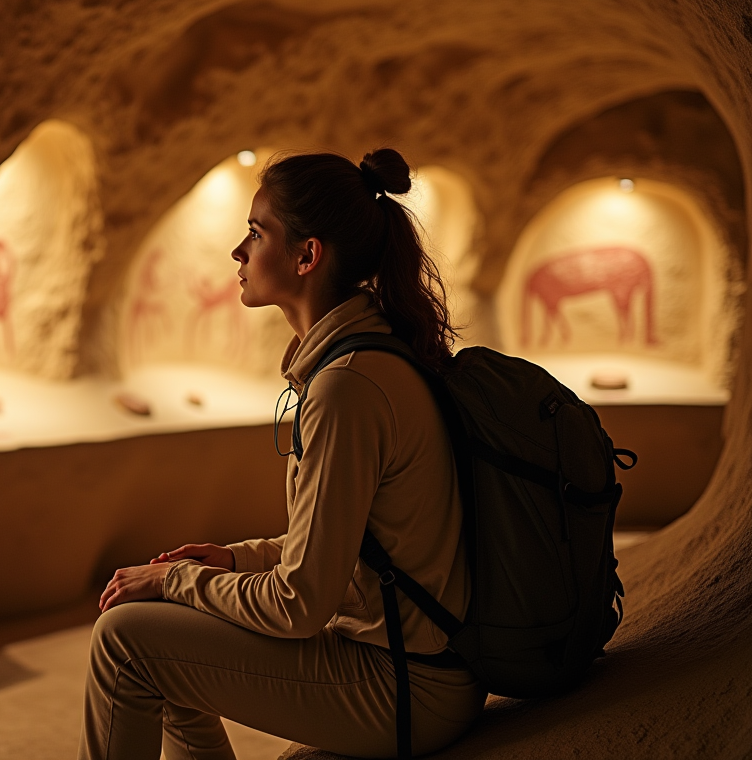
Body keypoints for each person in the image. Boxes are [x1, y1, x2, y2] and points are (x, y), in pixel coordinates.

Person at [78, 149, 485, 760]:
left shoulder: (348, 387)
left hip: (407, 686)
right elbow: (348, 552)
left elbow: (300, 604)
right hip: (417, 663)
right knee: (169, 637)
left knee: (125, 642)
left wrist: (179, 579)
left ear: (307, 255)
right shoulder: (363, 362)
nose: (237, 253)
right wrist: (234, 561)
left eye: (255, 232)